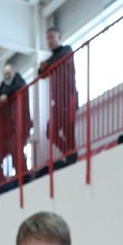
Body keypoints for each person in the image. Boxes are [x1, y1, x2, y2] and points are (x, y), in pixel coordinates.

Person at [38, 27, 78, 164]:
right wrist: (44, 67)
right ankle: (70, 154)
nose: (49, 40)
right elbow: (41, 74)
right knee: (51, 130)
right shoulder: (51, 59)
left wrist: (46, 66)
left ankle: (72, 158)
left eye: (51, 36)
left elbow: (59, 59)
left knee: (68, 131)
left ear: (59, 37)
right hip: (57, 100)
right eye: (47, 38)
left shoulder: (67, 50)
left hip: (69, 97)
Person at [0, 63, 32, 178]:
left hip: (22, 123)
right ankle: (19, 175)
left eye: (8, 73)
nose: (7, 76)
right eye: (5, 74)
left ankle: (24, 175)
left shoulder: (19, 81)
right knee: (13, 151)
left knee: (17, 149)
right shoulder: (4, 86)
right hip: (10, 126)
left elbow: (19, 86)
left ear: (14, 73)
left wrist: (6, 94)